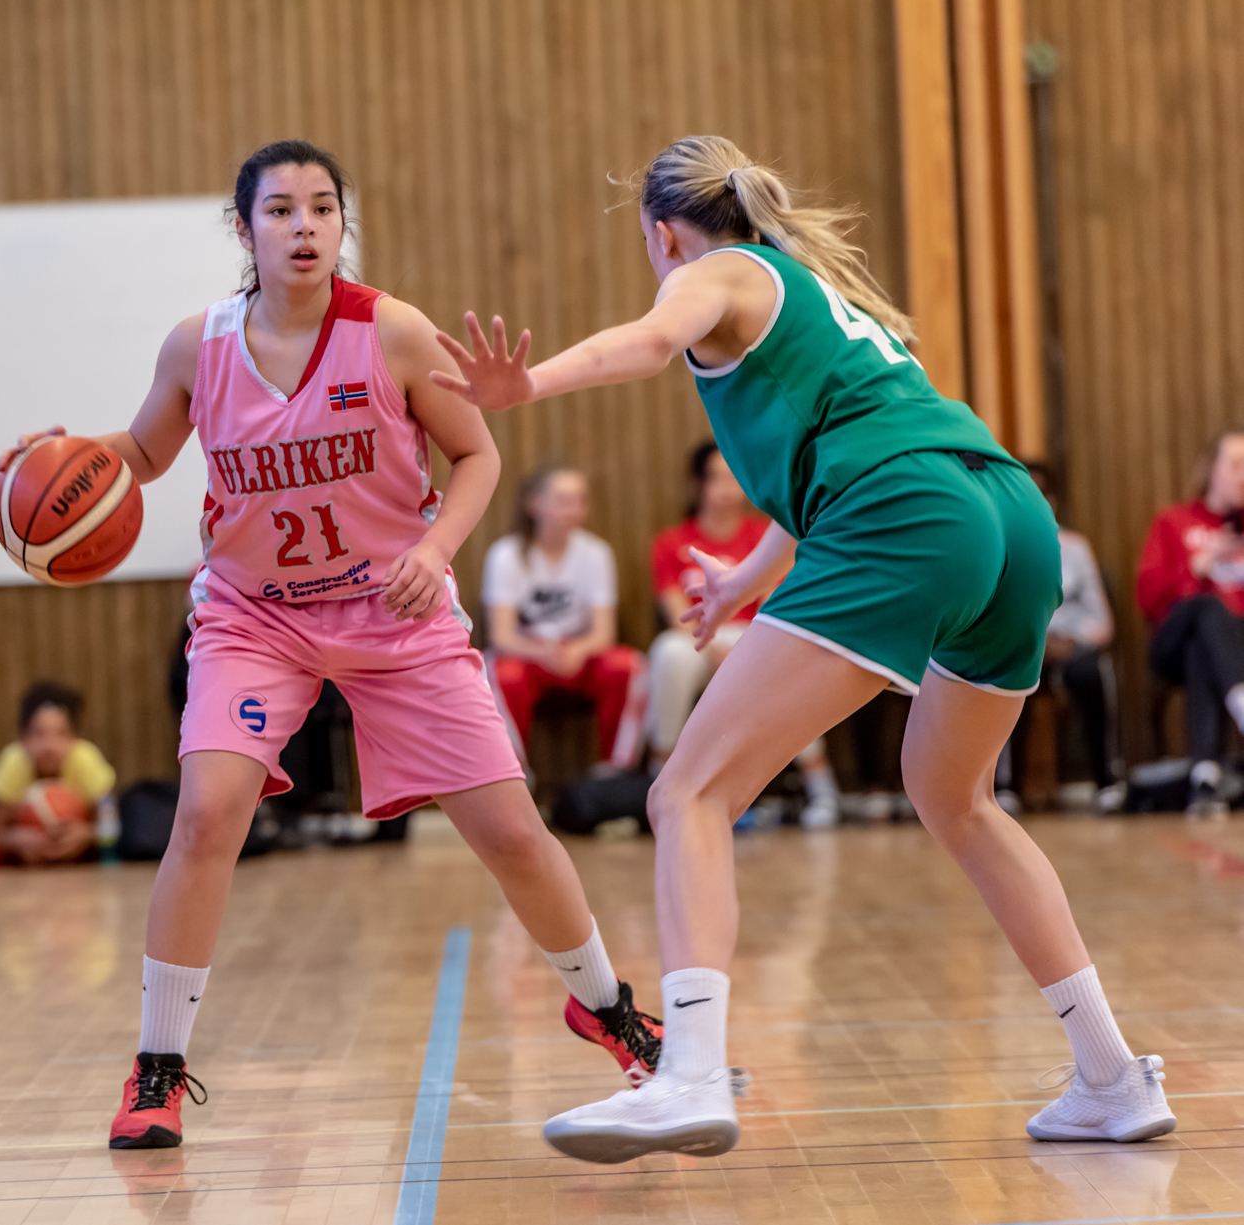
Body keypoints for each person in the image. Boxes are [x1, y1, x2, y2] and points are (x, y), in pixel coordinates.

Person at [434, 135, 1174, 1162]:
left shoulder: (716, 274)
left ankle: (686, 1073)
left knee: (683, 793)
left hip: (907, 515)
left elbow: (648, 345)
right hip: (1004, 516)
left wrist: (527, 386)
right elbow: (853, 440)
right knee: (956, 798)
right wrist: (747, 576)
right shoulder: (820, 296)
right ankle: (1106, 1075)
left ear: (661, 235)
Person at [0, 140, 663, 1151]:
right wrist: (62, 461)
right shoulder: (194, 348)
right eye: (279, 210)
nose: (302, 225)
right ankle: (157, 1068)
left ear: (340, 225)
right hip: (255, 618)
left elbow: (476, 451)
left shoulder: (391, 332)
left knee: (512, 835)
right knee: (208, 813)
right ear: (243, 230)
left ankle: (603, 1005)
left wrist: (436, 548)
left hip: (393, 612)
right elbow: (137, 457)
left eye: (320, 208)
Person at [649, 442, 843, 827]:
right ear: (697, 485)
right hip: (698, 639)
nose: (726, 489)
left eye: (734, 478)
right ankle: (662, 778)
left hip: (756, 639)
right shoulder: (671, 543)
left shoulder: (765, 537)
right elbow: (676, 616)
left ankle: (820, 784)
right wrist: (711, 645)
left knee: (792, 660)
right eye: (715, 478)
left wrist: (745, 653)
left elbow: (777, 607)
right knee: (669, 652)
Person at [483, 465, 646, 772]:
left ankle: (616, 772)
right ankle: (512, 774)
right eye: (563, 500)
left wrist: (576, 650)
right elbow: (501, 636)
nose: (573, 510)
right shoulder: (505, 555)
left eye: (579, 501)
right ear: (535, 504)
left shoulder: (596, 553)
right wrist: (542, 651)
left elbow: (604, 632)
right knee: (498, 674)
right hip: (528, 652)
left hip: (579, 652)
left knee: (629, 666)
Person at [996, 462, 1120, 811]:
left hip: (1070, 648)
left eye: (1042, 493)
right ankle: (1005, 786)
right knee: (1002, 674)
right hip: (1021, 645)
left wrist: (1071, 640)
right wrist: (1036, 639)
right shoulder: (995, 544)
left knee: (1092, 675)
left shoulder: (1076, 548)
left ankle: (1106, 780)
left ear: (1052, 500)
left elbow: (1102, 621)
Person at [1136, 429, 1244, 818]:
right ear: (1212, 468)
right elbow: (1148, 599)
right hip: (1171, 641)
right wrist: (1197, 568)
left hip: (1228, 647)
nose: (1243, 475)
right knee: (1204, 610)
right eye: (1235, 465)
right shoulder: (1174, 522)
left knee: (1207, 645)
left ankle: (1206, 777)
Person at [0, 683, 111, 865]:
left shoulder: (85, 758)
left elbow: (112, 828)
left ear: (74, 738)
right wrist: (15, 839)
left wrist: (87, 834)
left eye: (61, 733)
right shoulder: (13, 761)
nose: (50, 745)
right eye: (39, 733)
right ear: (23, 738)